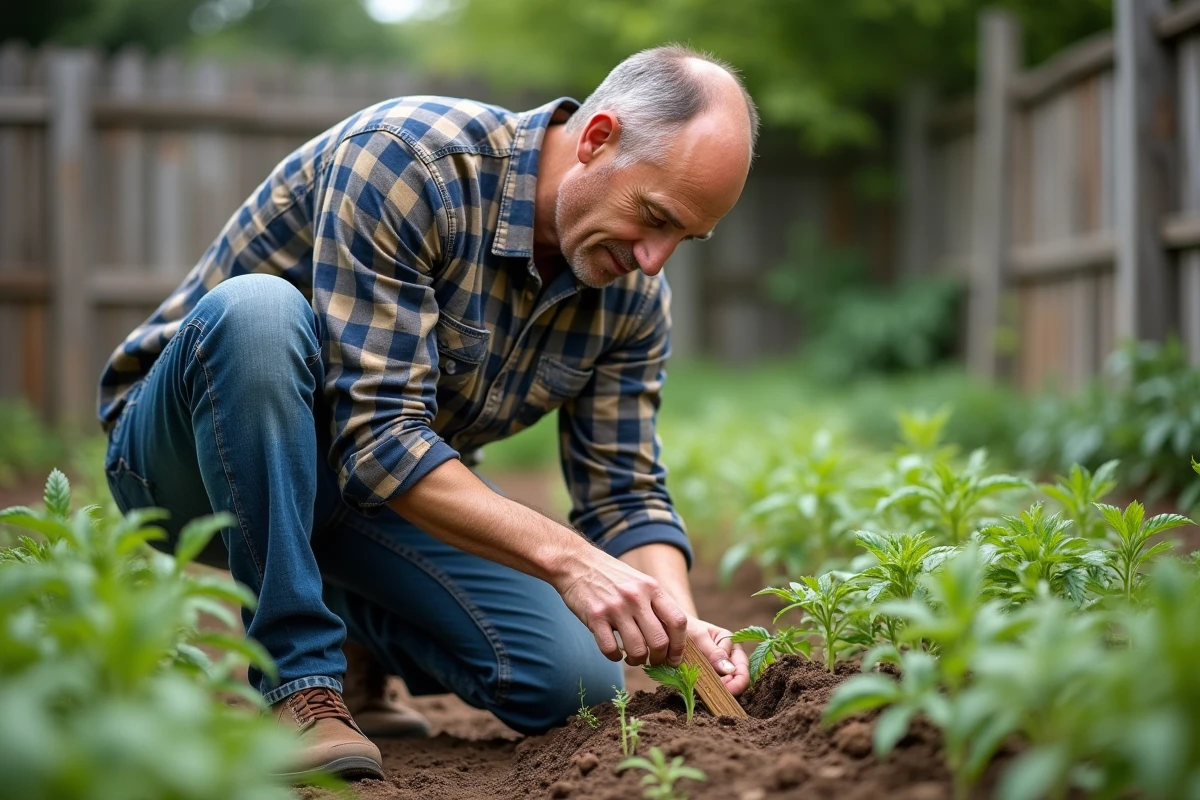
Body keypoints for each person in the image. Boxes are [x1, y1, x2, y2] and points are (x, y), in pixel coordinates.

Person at [97, 44, 758, 781]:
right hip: (187, 457)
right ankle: (298, 681)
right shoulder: (410, 161)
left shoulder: (632, 300)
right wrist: (572, 561)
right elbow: (381, 438)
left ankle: (355, 639)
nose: (655, 260)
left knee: (576, 682)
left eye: (684, 240)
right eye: (655, 216)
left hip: (361, 492)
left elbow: (624, 490)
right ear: (598, 138)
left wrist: (683, 625)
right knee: (260, 312)